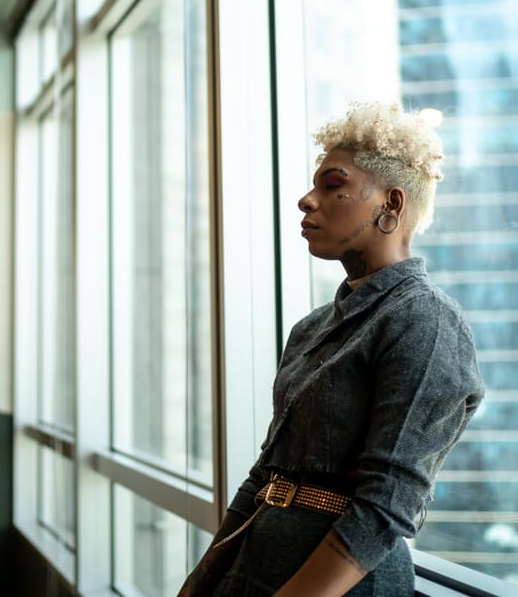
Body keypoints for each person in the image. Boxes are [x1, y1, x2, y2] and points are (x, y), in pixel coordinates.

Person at [180, 101, 484, 596]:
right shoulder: (311, 328)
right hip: (254, 568)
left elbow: (387, 502)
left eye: (332, 185)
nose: (306, 200)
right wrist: (199, 582)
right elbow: (265, 475)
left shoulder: (426, 320)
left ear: (392, 204)